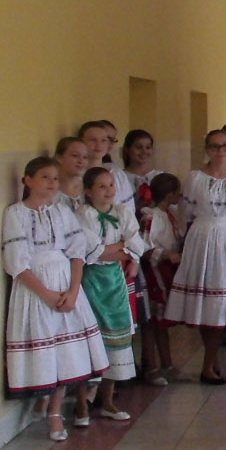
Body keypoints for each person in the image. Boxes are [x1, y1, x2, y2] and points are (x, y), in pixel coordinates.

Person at [2, 157, 108, 441]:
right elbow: (16, 262)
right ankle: (43, 398)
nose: (52, 183)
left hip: (64, 281)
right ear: (27, 181)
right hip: (35, 287)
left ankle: (55, 413)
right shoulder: (15, 213)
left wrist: (73, 290)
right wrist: (46, 294)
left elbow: (77, 252)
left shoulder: (62, 211)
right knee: (45, 347)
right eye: (45, 177)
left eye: (55, 179)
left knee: (65, 351)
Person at [165, 130, 226, 384]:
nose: (220, 151)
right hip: (201, 239)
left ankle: (210, 362)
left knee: (220, 305)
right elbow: (185, 212)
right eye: (214, 146)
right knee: (207, 305)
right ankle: (209, 363)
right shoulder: (195, 177)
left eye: (224, 146)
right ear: (207, 149)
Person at [76, 166, 144, 422]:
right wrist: (121, 247)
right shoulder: (83, 214)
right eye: (101, 186)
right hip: (90, 280)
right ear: (88, 191)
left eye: (111, 185)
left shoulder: (122, 212)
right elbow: (91, 251)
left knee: (116, 336)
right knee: (90, 338)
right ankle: (82, 405)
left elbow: (136, 244)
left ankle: (107, 400)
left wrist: (115, 250)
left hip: (115, 280)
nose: (108, 191)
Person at [139, 172, 182, 386]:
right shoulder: (151, 217)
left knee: (161, 322)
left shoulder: (169, 216)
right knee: (151, 322)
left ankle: (167, 364)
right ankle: (151, 367)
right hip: (154, 273)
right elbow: (144, 247)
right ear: (169, 194)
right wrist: (165, 254)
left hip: (166, 272)